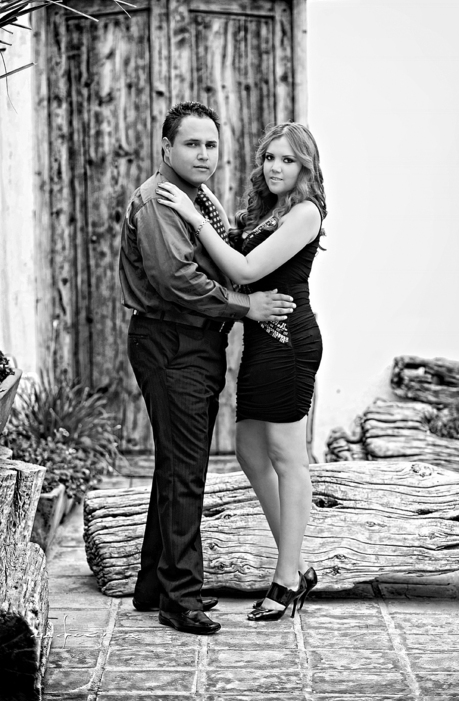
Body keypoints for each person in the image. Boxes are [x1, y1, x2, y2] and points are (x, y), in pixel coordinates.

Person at [119, 102, 296, 636]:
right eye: (191, 144)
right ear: (166, 147)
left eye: (211, 145)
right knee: (185, 472)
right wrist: (247, 306)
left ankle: (153, 587)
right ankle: (181, 598)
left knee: (176, 465)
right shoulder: (159, 202)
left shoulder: (195, 199)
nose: (203, 154)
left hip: (194, 344)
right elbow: (177, 280)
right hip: (172, 342)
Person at [157, 121, 326, 622]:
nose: (275, 167)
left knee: (289, 458)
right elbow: (235, 243)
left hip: (290, 343)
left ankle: (287, 576)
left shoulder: (305, 213)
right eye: (270, 157)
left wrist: (193, 215)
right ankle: (298, 563)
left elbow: (245, 271)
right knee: (250, 451)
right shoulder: (268, 210)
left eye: (288, 160)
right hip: (260, 343)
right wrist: (206, 200)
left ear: (305, 167)